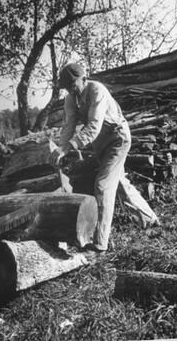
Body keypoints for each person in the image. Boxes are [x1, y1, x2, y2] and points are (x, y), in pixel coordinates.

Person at [49, 63, 131, 253]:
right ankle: (150, 220)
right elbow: (69, 126)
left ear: (83, 78)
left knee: (102, 186)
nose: (71, 89)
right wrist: (61, 147)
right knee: (120, 184)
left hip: (117, 138)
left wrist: (70, 146)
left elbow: (94, 125)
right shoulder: (71, 98)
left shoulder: (97, 90)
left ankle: (99, 245)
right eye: (67, 87)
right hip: (100, 143)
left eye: (73, 84)